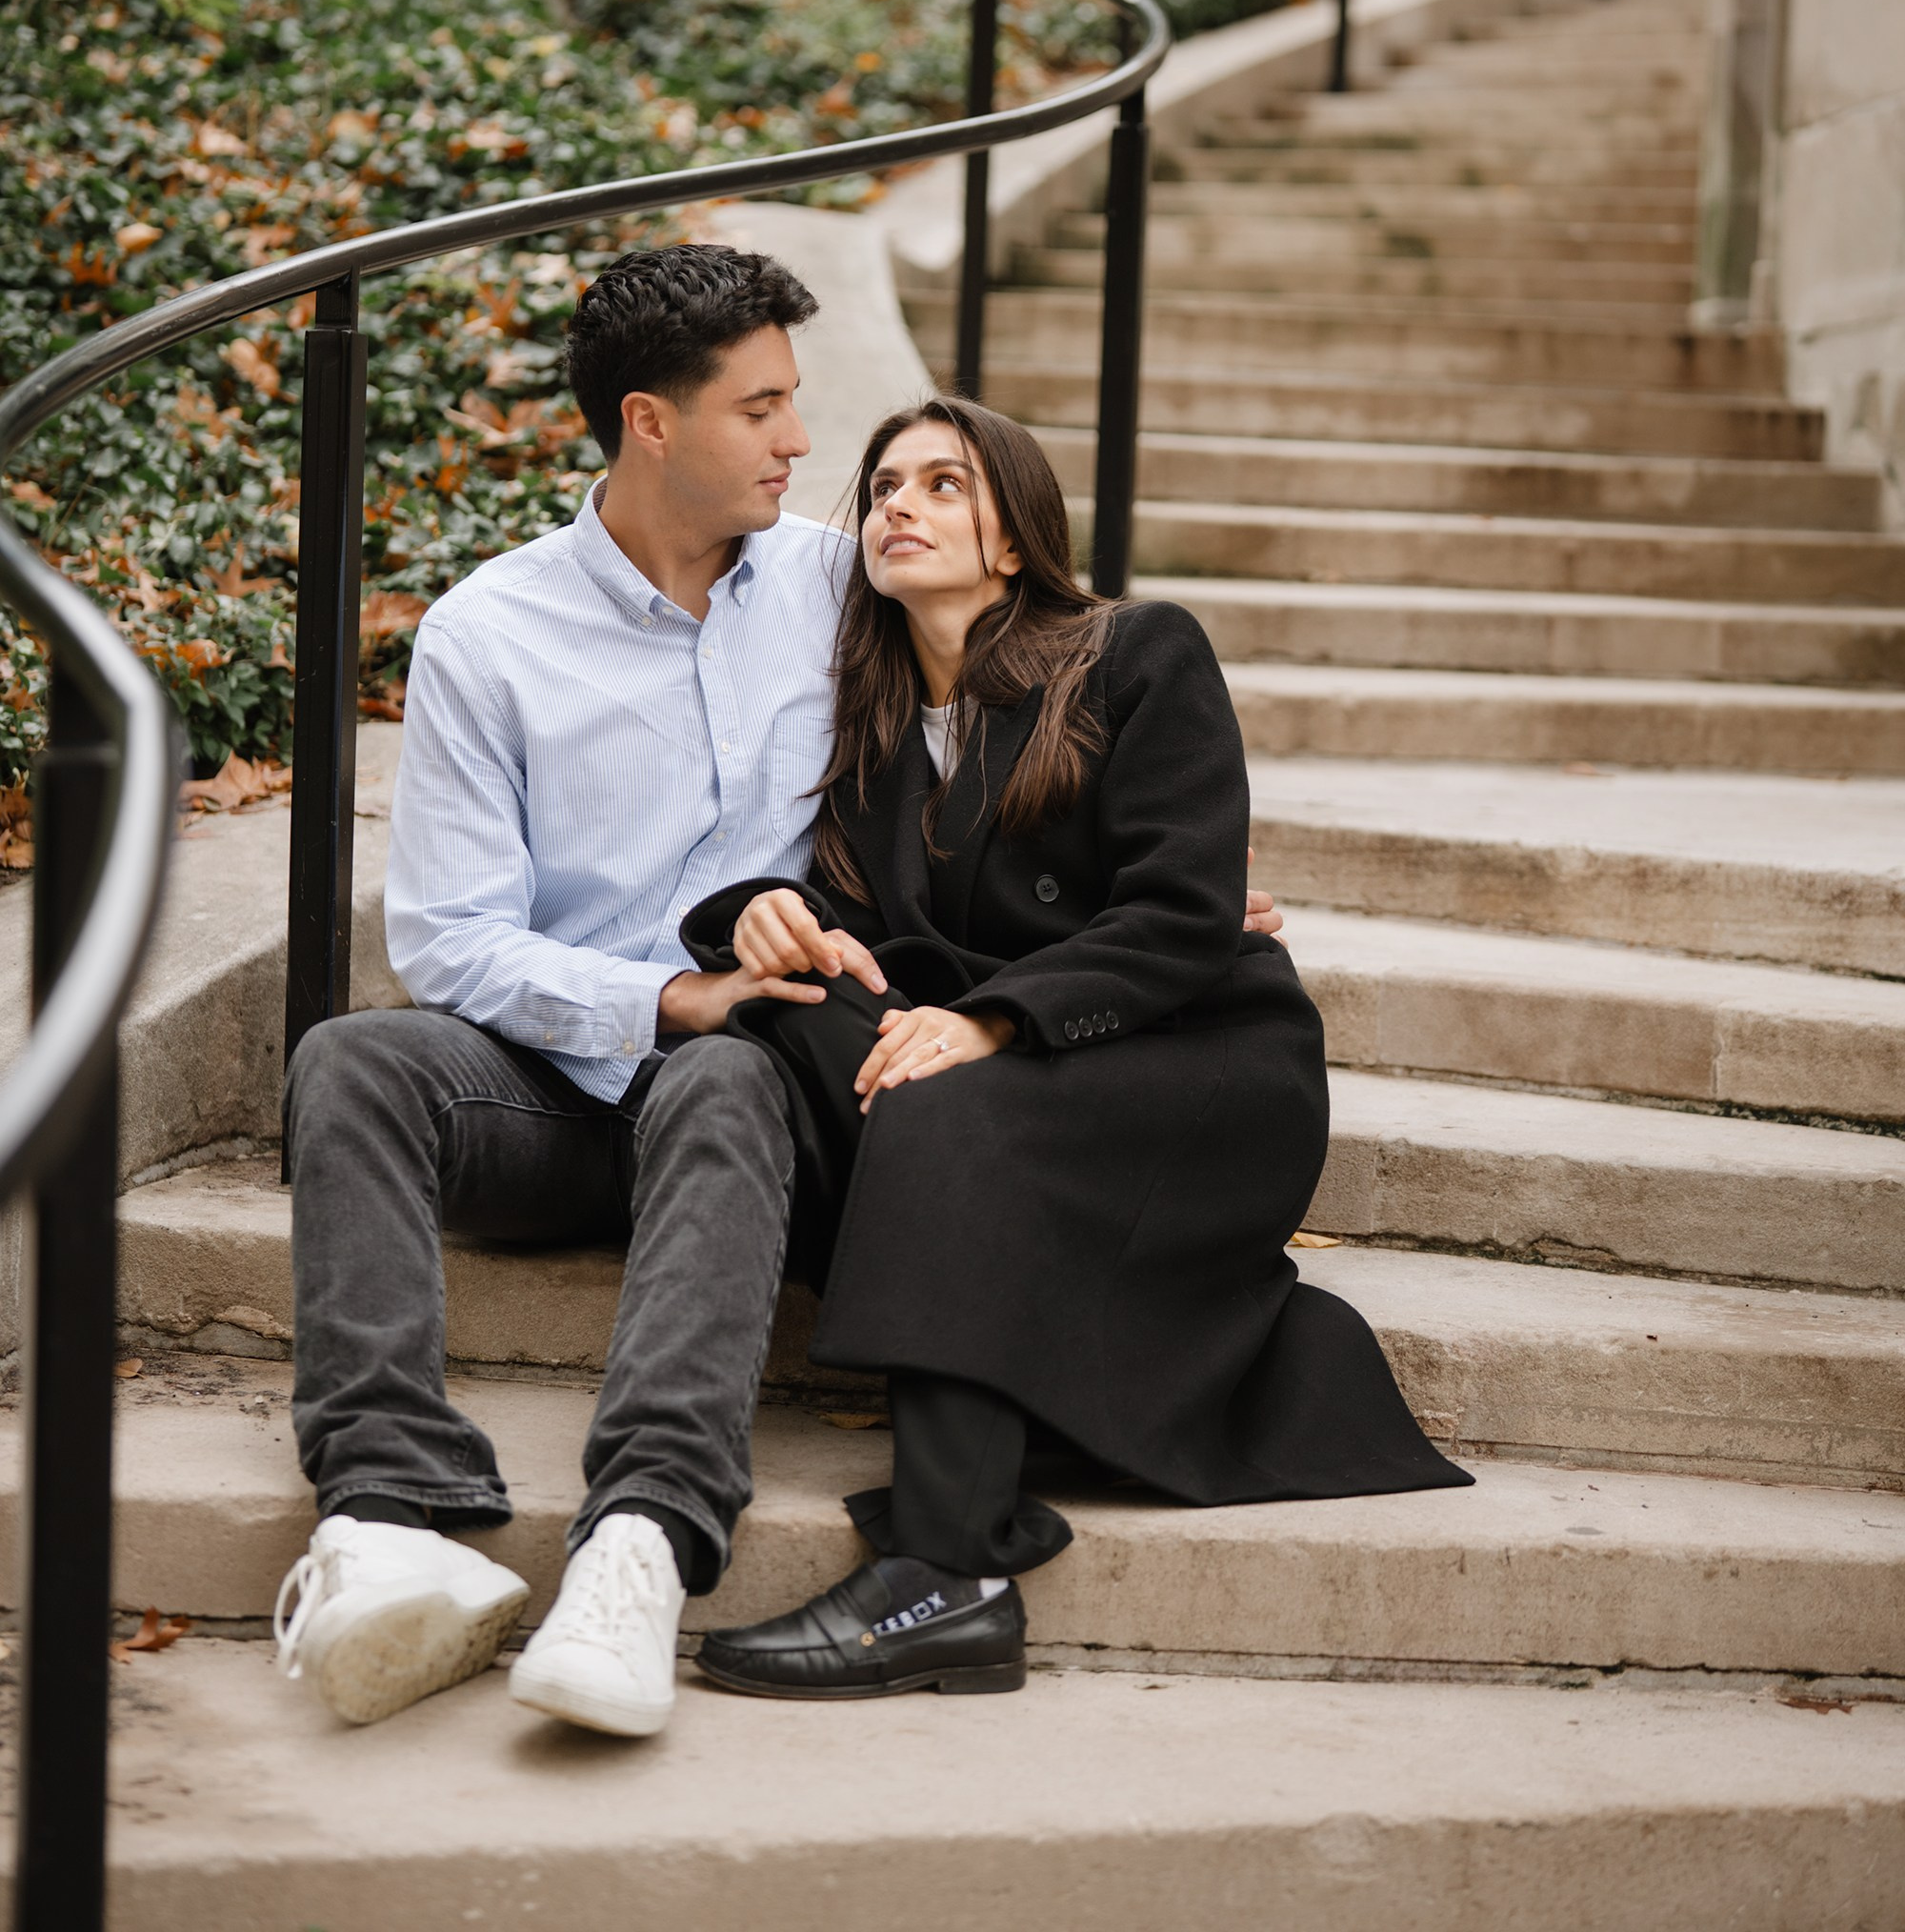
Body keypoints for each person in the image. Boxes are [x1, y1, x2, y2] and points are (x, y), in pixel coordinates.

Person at [270, 242, 1293, 1738]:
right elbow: (450, 937)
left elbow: (1011, 702)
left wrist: (1176, 893)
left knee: (741, 1064)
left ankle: (639, 1545)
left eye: (798, 405)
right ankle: (383, 1511)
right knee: (352, 1060)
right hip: (556, 1087)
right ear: (651, 423)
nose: (807, 447)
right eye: (763, 410)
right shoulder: (488, 638)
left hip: (760, 1091)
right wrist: (654, 999)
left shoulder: (837, 582)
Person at [684, 396, 1472, 1702]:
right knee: (796, 1017)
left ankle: (947, 1574)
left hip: (1189, 1056)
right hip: (1027, 1072)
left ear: (1012, 535)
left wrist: (989, 1021)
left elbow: (1181, 916)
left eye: (944, 483)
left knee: (939, 1096)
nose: (898, 503)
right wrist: (756, 918)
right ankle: (1013, 1391)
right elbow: (873, 936)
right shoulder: (878, 734)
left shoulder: (1137, 653)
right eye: (884, 485)